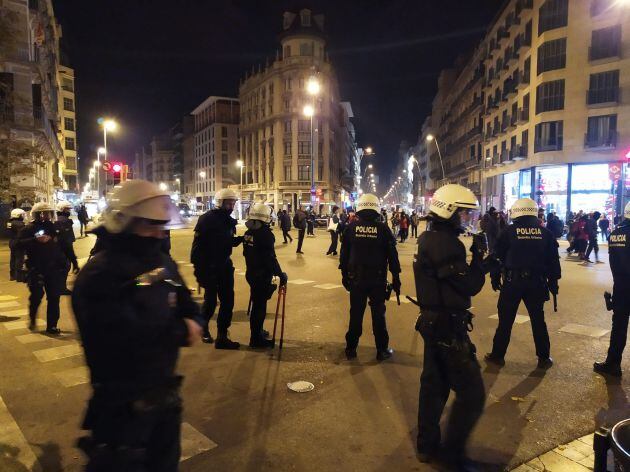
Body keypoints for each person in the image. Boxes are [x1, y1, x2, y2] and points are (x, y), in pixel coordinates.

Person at [71, 179, 203, 471]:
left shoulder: (161, 261)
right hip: (122, 405)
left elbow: (187, 302)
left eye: (162, 226)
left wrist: (193, 318)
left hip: (164, 396)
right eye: (149, 226)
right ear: (122, 223)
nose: (158, 234)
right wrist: (181, 330)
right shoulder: (100, 274)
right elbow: (121, 337)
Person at [413, 184, 486, 469]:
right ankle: (453, 456)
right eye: (463, 214)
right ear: (450, 211)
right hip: (447, 328)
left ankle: (426, 445)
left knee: (433, 386)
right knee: (472, 393)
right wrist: (480, 260)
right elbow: (469, 284)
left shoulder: (429, 237)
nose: (466, 220)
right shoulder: (447, 243)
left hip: (433, 323)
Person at [485, 198, 561, 370]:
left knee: (505, 321)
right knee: (538, 321)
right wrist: (553, 282)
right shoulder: (546, 233)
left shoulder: (508, 232)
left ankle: (498, 356)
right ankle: (544, 357)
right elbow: (553, 261)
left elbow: (497, 257)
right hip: (536, 283)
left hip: (513, 282)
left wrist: (495, 277)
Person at [339, 193, 400, 361]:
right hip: (377, 280)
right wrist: (396, 278)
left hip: (356, 279)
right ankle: (381, 350)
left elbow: (344, 255)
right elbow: (392, 256)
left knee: (356, 314)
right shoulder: (383, 229)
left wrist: (344, 275)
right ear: (376, 209)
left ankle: (351, 348)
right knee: (378, 315)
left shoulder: (351, 228)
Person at [191, 188, 242, 348]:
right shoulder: (207, 219)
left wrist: (240, 239)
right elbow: (197, 248)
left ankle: (222, 336)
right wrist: (199, 272)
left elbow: (226, 241)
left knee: (228, 301)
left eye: (233, 203)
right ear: (220, 203)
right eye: (228, 203)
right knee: (210, 301)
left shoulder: (229, 220)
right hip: (209, 266)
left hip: (225, 265)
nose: (231, 206)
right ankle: (203, 328)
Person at [17, 202, 70, 334]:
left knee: (54, 296)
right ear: (37, 214)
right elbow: (15, 244)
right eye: (43, 213)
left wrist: (72, 260)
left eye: (48, 213)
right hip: (36, 268)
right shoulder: (28, 229)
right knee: (36, 296)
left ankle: (52, 325)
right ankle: (32, 318)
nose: (46, 216)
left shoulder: (54, 228)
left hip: (53, 269)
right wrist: (35, 240)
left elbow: (65, 245)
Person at [242, 203, 288, 348]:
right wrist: (281, 274)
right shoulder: (265, 234)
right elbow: (270, 258)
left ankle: (258, 332)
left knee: (257, 305)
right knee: (259, 308)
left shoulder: (248, 232)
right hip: (261, 276)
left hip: (251, 273)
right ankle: (255, 339)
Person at [594, 202, 630, 377]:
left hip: (622, 287)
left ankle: (613, 364)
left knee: (619, 327)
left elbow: (614, 263)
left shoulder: (615, 234)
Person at [54, 201, 80, 295]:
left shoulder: (60, 219)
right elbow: (66, 241)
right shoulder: (64, 221)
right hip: (63, 250)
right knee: (64, 267)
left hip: (59, 250)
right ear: (62, 209)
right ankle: (61, 288)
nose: (69, 211)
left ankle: (60, 287)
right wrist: (73, 260)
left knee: (63, 268)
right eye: (67, 209)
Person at [7, 208, 26, 281]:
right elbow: (22, 233)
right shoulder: (19, 224)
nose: (23, 216)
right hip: (18, 242)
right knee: (19, 259)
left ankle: (12, 275)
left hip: (12, 242)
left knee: (13, 259)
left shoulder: (9, 222)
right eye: (22, 215)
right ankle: (18, 276)